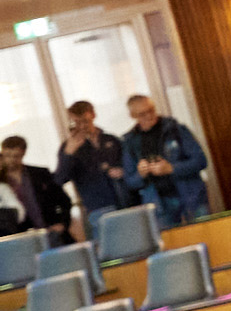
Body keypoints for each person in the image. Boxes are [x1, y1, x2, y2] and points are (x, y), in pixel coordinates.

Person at [119, 92, 209, 227]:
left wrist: (171, 168)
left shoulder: (176, 129)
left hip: (191, 197)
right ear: (133, 116)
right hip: (159, 205)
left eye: (151, 110)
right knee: (169, 239)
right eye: (142, 114)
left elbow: (201, 161)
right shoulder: (130, 141)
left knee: (205, 233)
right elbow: (130, 181)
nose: (149, 116)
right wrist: (141, 174)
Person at [56, 101, 126, 221]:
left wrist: (122, 172)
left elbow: (129, 166)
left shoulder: (111, 140)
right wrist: (68, 154)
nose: (82, 126)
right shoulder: (69, 147)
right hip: (96, 208)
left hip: (124, 201)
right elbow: (60, 179)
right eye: (77, 122)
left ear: (93, 115)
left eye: (85, 121)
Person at [0, 134, 67, 239]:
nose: (11, 160)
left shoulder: (40, 173)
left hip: (51, 230)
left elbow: (63, 200)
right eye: (7, 155)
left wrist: (63, 223)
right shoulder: (2, 181)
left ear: (23, 153)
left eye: (16, 156)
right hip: (22, 236)